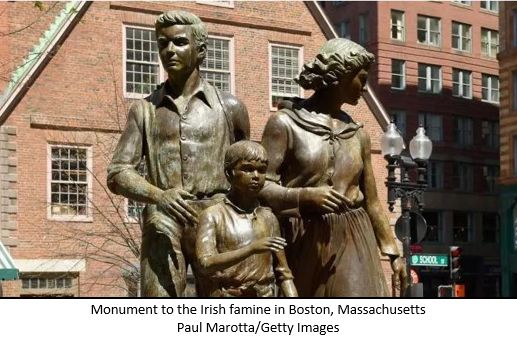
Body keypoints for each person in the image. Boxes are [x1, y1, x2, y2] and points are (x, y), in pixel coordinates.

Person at [107, 10, 249, 297]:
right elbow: (118, 173)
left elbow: (250, 167)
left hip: (218, 219)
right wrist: (159, 196)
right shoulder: (144, 110)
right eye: (163, 43)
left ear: (201, 51)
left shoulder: (230, 107)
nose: (169, 50)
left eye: (180, 42)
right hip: (163, 220)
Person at [259, 38, 407, 297]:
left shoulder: (358, 134)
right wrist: (305, 196)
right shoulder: (284, 124)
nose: (364, 88)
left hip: (353, 234)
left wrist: (393, 251)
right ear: (339, 76)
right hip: (304, 237)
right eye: (361, 78)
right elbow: (260, 187)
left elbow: (371, 201)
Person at [195, 141, 298, 297]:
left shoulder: (269, 218)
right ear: (229, 174)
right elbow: (205, 263)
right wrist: (251, 249)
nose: (256, 176)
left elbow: (284, 274)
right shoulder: (212, 215)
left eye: (262, 171)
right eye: (248, 169)